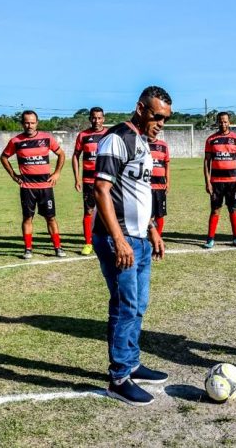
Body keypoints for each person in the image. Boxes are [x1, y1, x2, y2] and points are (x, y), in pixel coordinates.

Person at [92, 85, 171, 406]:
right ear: (140, 108)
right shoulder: (117, 138)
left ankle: (133, 362)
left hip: (139, 238)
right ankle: (119, 377)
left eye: (166, 119)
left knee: (138, 304)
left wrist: (152, 229)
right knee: (125, 305)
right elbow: (100, 189)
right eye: (156, 116)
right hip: (118, 239)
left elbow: (137, 192)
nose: (161, 123)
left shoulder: (142, 143)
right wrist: (120, 239)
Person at [0, 110, 66, 259]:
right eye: (26, 122)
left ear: (37, 123)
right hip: (27, 188)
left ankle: (58, 247)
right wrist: (13, 175)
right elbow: (4, 157)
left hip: (45, 187)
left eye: (32, 122)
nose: (29, 125)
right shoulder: (16, 141)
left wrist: (56, 173)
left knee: (51, 218)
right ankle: (28, 249)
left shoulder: (47, 138)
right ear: (22, 123)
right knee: (27, 218)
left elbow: (61, 154)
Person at [203, 111, 236, 248]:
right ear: (218, 122)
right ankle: (210, 239)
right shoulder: (211, 140)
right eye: (221, 121)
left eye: (225, 121)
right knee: (215, 209)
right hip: (216, 182)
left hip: (232, 182)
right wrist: (207, 181)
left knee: (233, 208)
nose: (223, 124)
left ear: (229, 122)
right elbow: (206, 162)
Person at [72, 107, 109, 255]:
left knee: (108, 210)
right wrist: (77, 178)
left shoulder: (109, 134)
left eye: (99, 118)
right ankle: (88, 243)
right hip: (88, 180)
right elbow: (75, 156)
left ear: (103, 119)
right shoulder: (83, 135)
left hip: (106, 180)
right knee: (88, 211)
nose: (96, 121)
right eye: (94, 118)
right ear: (90, 119)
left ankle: (108, 240)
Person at [148, 134, 171, 235]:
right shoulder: (142, 144)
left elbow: (167, 165)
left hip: (160, 186)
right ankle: (146, 236)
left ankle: (159, 236)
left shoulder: (163, 145)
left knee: (160, 214)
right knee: (147, 215)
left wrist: (168, 182)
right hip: (146, 186)